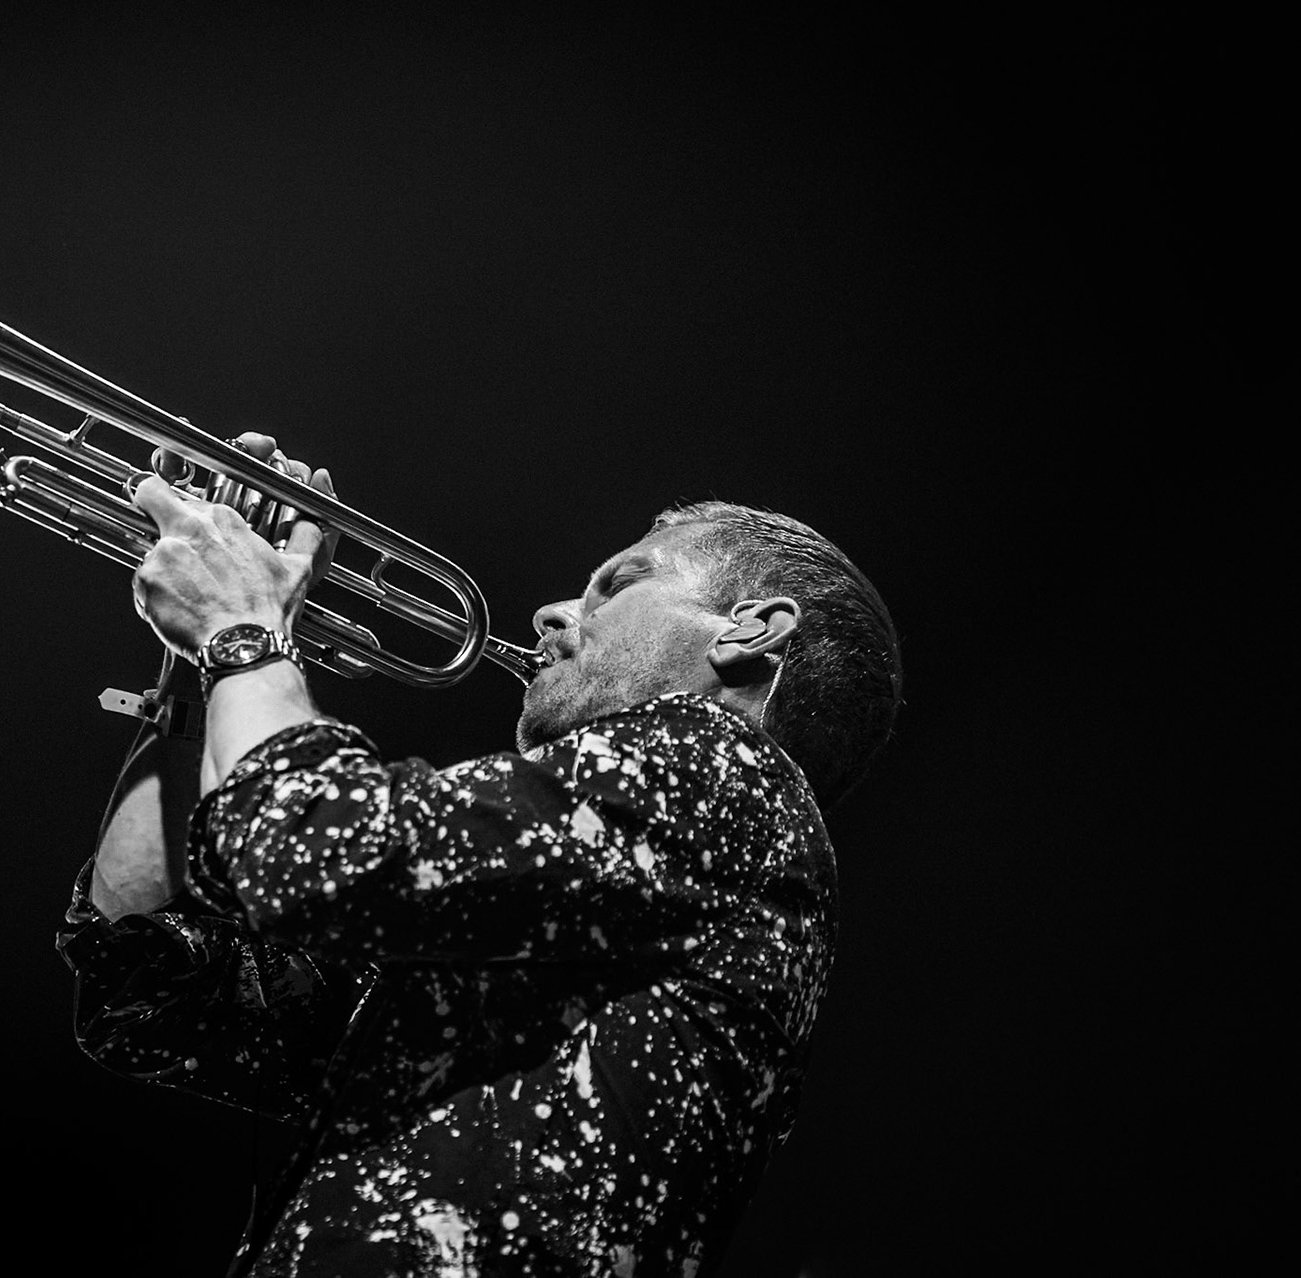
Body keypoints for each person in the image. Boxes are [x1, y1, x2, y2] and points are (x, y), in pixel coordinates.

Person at [58, 435, 902, 1277]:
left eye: (619, 584)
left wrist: (242, 628)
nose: (552, 614)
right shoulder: (602, 907)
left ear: (752, 630)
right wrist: (192, 676)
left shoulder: (723, 771)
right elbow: (150, 994)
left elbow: (307, 847)